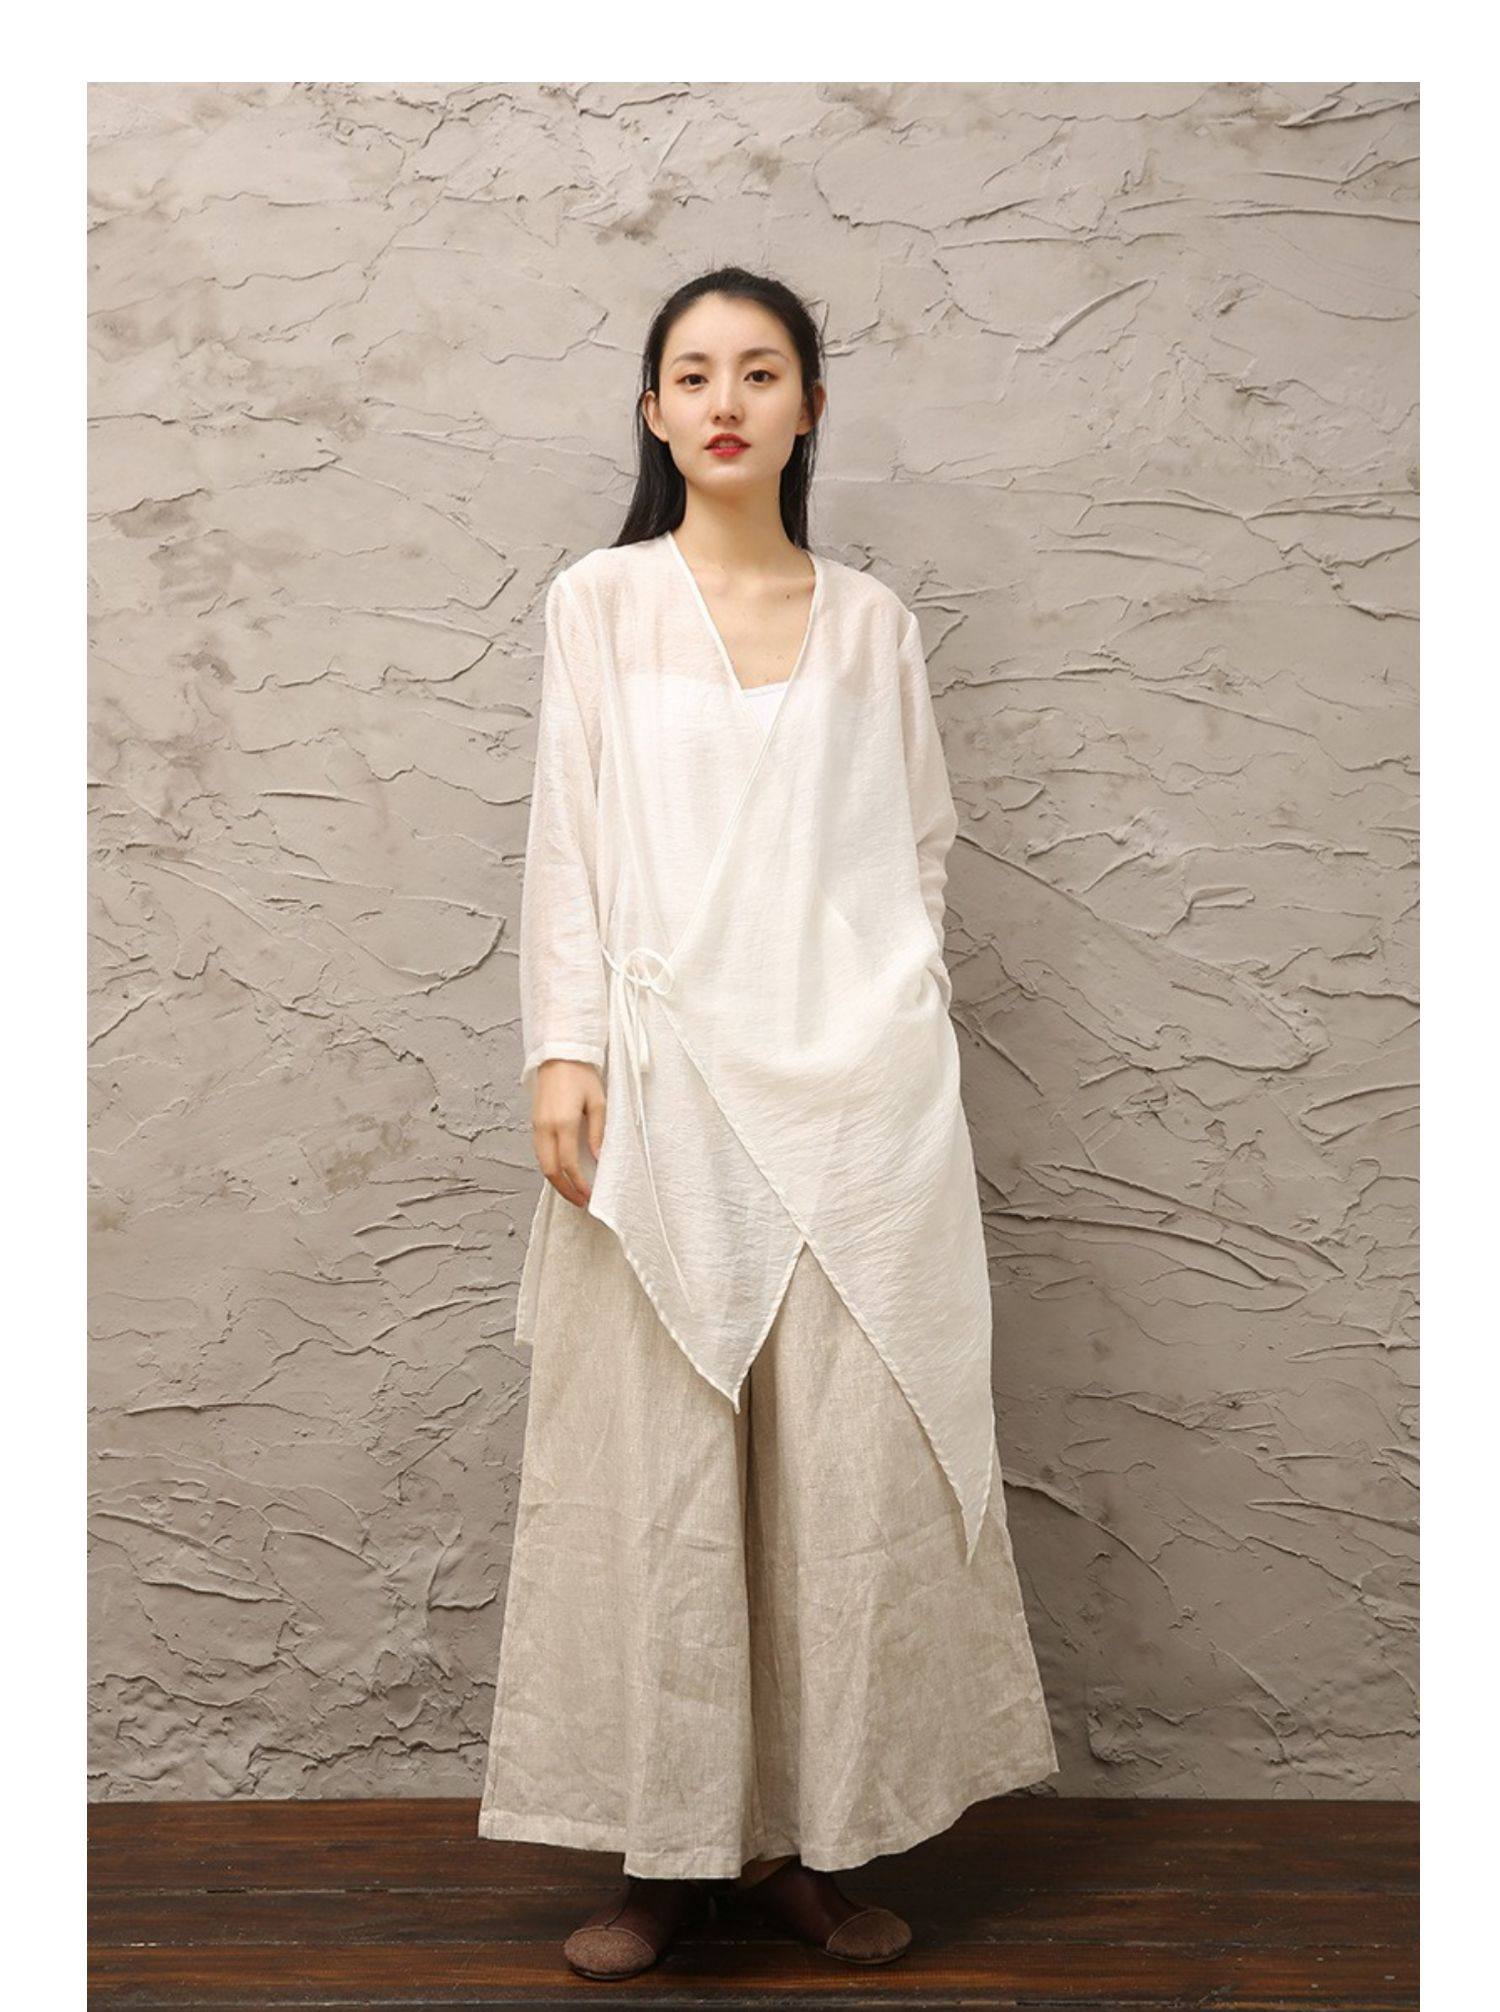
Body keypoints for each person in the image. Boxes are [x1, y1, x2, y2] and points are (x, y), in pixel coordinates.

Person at [478, 266, 1058, 1980]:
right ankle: (667, 1855)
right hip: (662, 1090)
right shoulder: (601, 603)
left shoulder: (872, 625)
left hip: (857, 1106)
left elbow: (919, 848)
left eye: (760, 371)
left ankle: (806, 1844)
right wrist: (564, 1048)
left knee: (837, 1479)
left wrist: (891, 1026)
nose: (725, 400)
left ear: (808, 407)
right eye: (692, 374)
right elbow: (570, 836)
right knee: (663, 1479)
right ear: (653, 413)